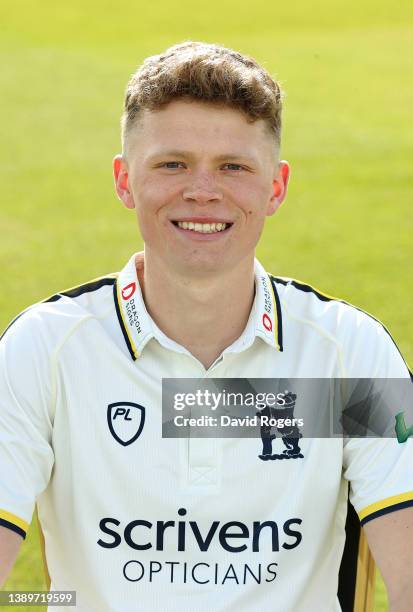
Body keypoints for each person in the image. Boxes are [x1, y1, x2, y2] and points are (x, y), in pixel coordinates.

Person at [0, 41, 412, 612]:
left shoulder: (350, 354)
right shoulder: (42, 351)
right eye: (172, 164)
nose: (203, 191)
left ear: (276, 187)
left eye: (234, 167)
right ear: (124, 179)